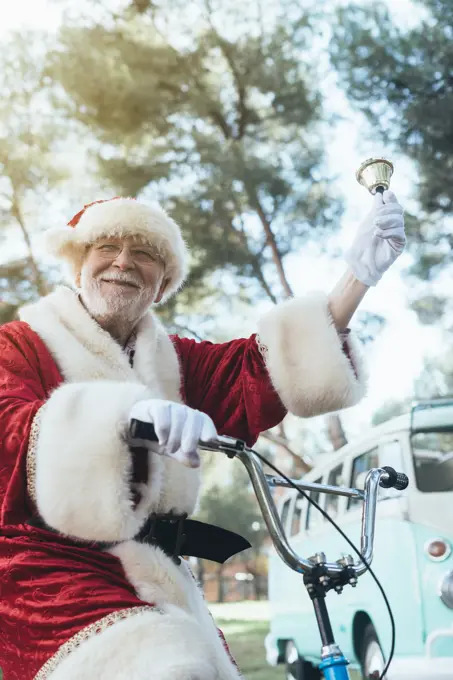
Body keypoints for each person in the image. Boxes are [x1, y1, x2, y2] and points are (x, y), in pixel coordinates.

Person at [0, 191, 405, 680]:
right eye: (105, 247)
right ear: (79, 264)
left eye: (145, 253)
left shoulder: (174, 359)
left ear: (163, 282)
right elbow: (9, 425)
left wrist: (356, 278)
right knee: (164, 664)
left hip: (156, 569)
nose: (123, 262)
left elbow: (256, 371)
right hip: (44, 569)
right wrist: (125, 416)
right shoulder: (18, 345)